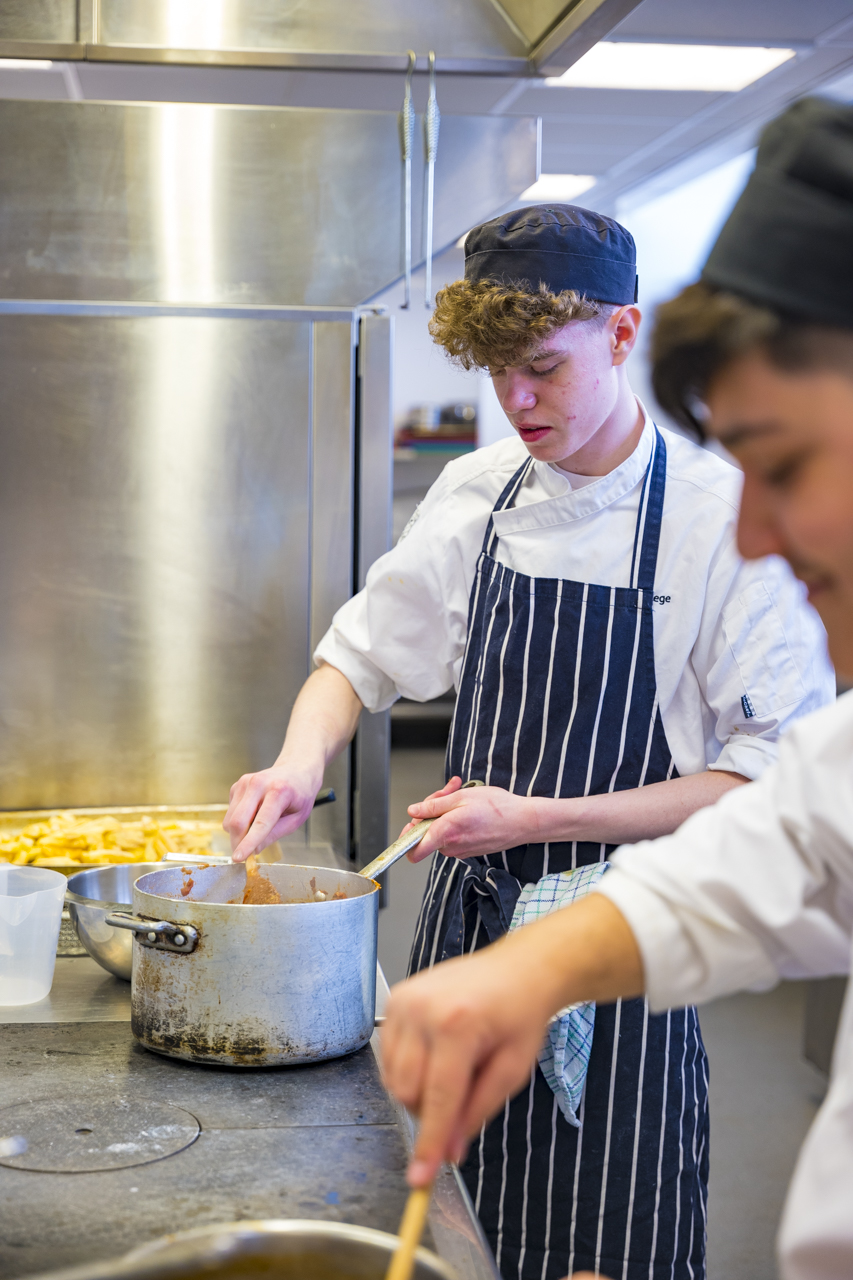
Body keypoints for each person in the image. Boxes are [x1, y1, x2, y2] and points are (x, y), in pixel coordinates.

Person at [224, 205, 833, 1280]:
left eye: (541, 368)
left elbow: (764, 782)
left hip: (630, 952)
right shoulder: (479, 490)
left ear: (619, 332)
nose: (514, 401)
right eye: (496, 372)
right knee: (453, 1225)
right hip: (469, 927)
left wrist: (540, 817)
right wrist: (296, 760)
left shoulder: (718, 516)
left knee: (612, 1240)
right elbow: (356, 657)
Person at [379, 97, 853, 1280]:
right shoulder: (484, 492)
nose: (750, 531)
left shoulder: (687, 522)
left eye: (782, 463)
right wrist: (527, 969)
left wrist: (541, 841)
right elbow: (784, 844)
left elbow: (749, 787)